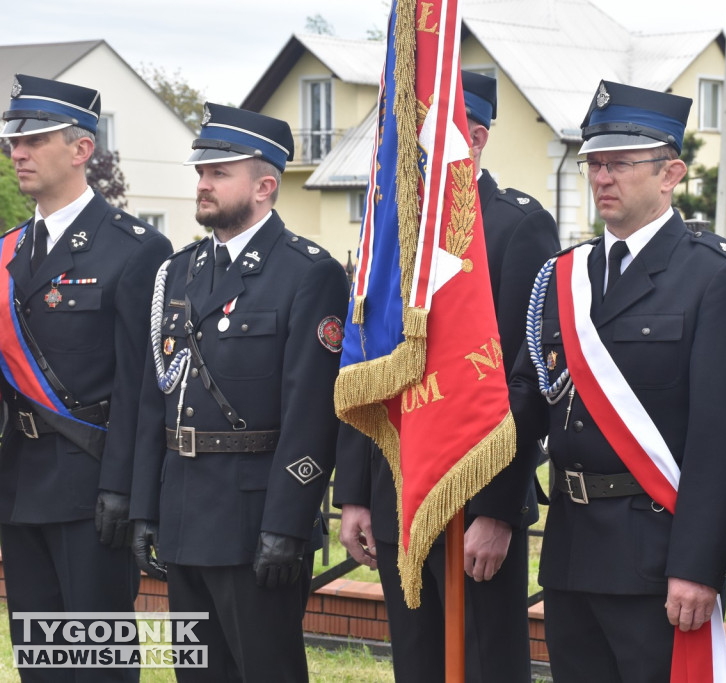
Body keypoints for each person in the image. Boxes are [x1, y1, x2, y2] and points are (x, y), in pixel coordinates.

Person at [507, 80, 726, 683]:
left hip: (656, 555)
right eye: (594, 163)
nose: (601, 177)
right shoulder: (564, 277)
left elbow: (721, 441)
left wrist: (697, 565)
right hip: (571, 551)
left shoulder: (717, 275)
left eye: (619, 163)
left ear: (671, 173)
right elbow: (526, 401)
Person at [334, 70, 560, 683]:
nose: (406, 150)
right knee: (417, 664)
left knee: (485, 663)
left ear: (476, 138)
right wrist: (355, 490)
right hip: (396, 487)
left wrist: (500, 509)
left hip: (471, 495)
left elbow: (522, 381)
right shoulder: (389, 233)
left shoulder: (517, 226)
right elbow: (367, 366)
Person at [129, 103, 348, 683]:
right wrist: (146, 510)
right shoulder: (180, 272)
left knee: (264, 672)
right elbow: (160, 396)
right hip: (182, 513)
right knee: (197, 674)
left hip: (254, 520)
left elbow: (312, 412)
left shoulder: (308, 273)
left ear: (265, 186)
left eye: (219, 173)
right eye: (201, 172)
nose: (202, 185)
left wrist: (287, 524)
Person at [0, 74, 172, 682]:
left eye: (35, 138)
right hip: (20, 483)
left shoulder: (134, 249)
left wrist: (126, 491)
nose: (17, 151)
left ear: (81, 150)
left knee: (97, 666)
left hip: (93, 486)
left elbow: (143, 388)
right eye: (12, 140)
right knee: (40, 664)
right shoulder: (9, 251)